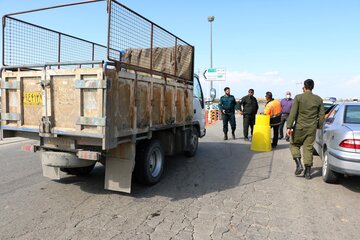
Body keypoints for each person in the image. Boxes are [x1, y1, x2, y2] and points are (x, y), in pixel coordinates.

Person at [286, 79, 324, 179]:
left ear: (304, 86)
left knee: (294, 144)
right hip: (311, 128)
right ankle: (308, 173)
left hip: (299, 127)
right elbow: (321, 115)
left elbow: (293, 113)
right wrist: (318, 126)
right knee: (308, 148)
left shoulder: (298, 97)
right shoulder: (318, 99)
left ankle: (299, 164)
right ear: (313, 87)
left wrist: (289, 126)